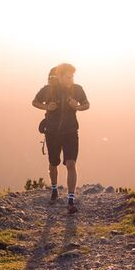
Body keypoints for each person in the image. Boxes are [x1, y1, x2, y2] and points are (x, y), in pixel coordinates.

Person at [32, 63, 90, 212]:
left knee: (71, 164)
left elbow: (87, 104)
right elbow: (34, 102)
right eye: (68, 76)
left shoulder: (77, 89)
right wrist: (47, 107)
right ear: (59, 76)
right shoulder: (48, 90)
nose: (70, 79)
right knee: (53, 163)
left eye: (72, 76)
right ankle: (54, 189)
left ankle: (71, 200)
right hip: (52, 133)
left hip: (71, 132)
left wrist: (76, 106)